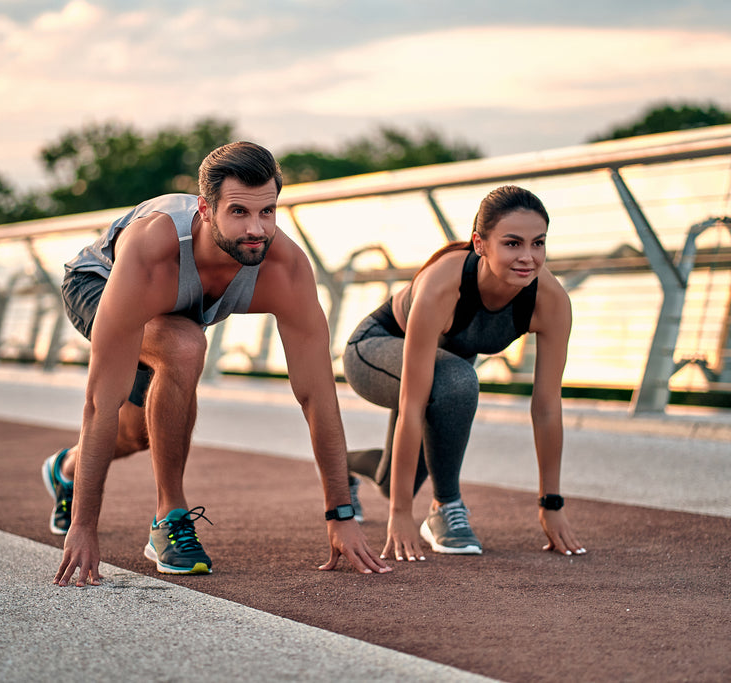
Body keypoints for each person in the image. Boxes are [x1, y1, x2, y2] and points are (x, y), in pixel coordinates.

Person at [42, 141, 391, 586]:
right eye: (239, 212)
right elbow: (98, 403)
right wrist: (85, 526)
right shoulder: (152, 252)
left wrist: (340, 514)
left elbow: (317, 395)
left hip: (176, 308)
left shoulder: (284, 268)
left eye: (268, 212)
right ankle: (169, 517)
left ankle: (65, 469)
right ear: (206, 211)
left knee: (139, 432)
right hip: (102, 283)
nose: (257, 229)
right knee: (184, 349)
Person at [342, 185, 586, 561]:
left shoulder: (550, 301)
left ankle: (342, 465)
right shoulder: (442, 286)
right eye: (512, 243)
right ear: (480, 244)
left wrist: (551, 504)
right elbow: (412, 405)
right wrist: (401, 514)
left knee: (393, 482)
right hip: (374, 350)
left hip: (439, 372)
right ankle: (446, 507)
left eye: (538, 243)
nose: (528, 257)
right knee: (458, 381)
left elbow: (547, 408)